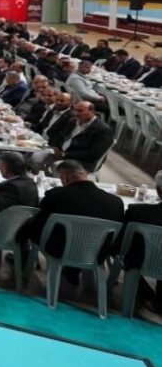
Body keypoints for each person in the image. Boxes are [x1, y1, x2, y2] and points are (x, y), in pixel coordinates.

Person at [23, 159, 123, 264]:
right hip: (95, 254)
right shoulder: (115, 202)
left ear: (65, 178)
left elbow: (38, 223)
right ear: (85, 174)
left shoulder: (56, 195)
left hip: (59, 250)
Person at [115, 170, 162, 314]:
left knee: (126, 250)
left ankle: (143, 291)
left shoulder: (138, 211)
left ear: (158, 190)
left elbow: (121, 242)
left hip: (141, 260)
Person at [49, 101, 114, 174]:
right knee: (40, 156)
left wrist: (65, 155)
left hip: (83, 161)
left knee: (57, 165)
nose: (76, 113)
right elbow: (60, 136)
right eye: (75, 110)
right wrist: (55, 148)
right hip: (63, 153)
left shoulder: (103, 130)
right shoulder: (73, 121)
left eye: (80, 111)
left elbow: (93, 154)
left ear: (92, 111)